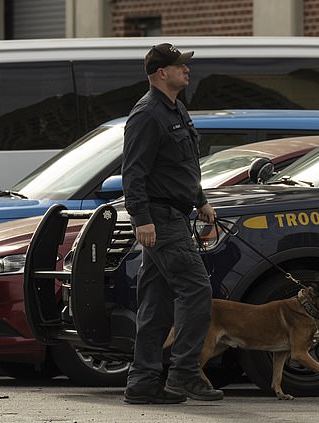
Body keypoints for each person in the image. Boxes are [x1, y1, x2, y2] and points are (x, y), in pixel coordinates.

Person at [121, 43, 224, 405]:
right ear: (161, 72)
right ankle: (183, 374)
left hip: (175, 214)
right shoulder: (147, 114)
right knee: (197, 292)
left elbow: (179, 165)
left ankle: (144, 381)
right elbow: (133, 172)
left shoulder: (175, 107)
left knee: (156, 302)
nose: (187, 70)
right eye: (181, 65)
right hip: (161, 220)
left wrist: (200, 200)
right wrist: (142, 219)